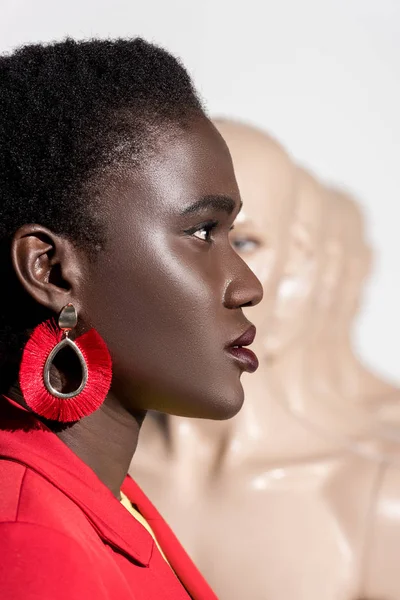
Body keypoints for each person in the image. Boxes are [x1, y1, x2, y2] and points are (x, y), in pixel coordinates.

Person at [0, 38, 263, 600]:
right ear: (51, 269)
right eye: (202, 233)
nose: (248, 286)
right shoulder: (31, 542)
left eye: (235, 236)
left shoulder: (98, 497)